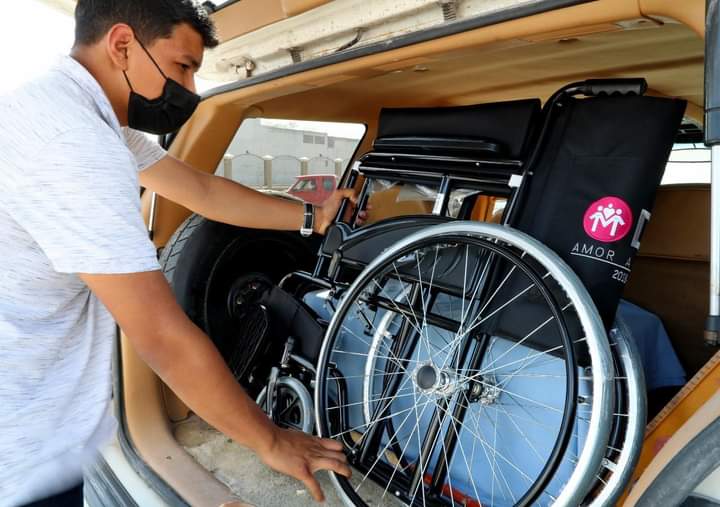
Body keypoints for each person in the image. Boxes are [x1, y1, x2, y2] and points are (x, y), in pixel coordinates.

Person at [0, 1, 363, 505]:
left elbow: (201, 191)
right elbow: (161, 336)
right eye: (183, 66)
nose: (190, 89)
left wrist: (311, 216)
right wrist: (271, 440)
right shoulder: (74, 144)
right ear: (122, 45)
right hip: (20, 453)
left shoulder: (66, 111)